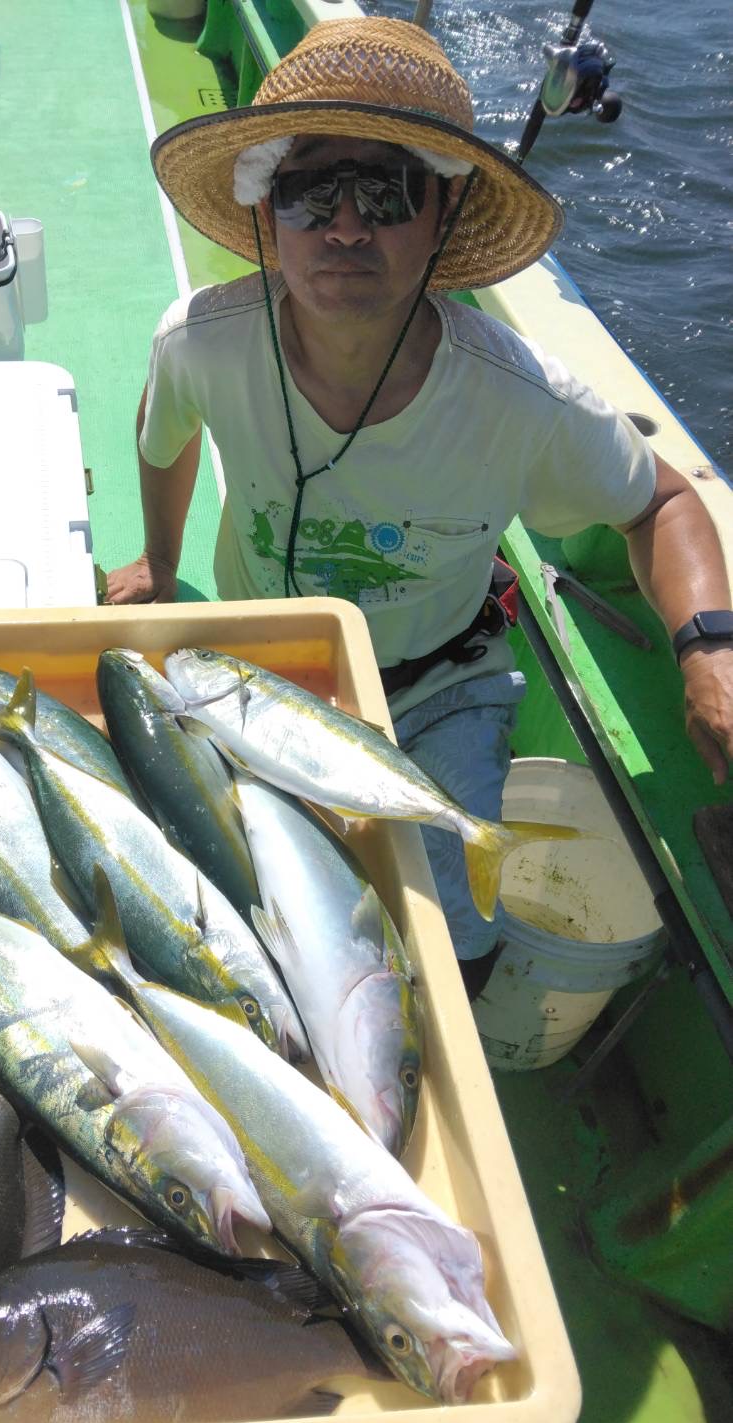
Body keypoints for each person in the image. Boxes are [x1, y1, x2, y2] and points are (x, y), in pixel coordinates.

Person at [106, 17, 733, 997]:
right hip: (257, 673)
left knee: (457, 953)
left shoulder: (524, 401)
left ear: (441, 213)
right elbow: (162, 428)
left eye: (388, 191)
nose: (346, 228)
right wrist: (157, 558)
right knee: (223, 922)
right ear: (269, 210)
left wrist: (708, 648)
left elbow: (661, 502)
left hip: (442, 686)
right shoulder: (198, 343)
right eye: (311, 192)